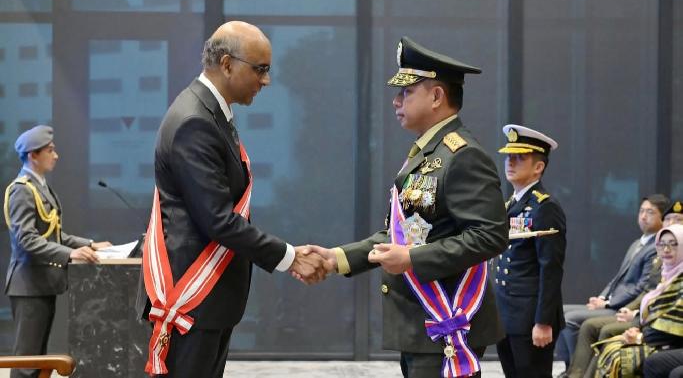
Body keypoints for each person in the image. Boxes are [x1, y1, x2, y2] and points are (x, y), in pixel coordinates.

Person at [300, 36, 509, 378]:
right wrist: (336, 258)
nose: (396, 101)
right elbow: (404, 234)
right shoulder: (428, 154)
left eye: (407, 91)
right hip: (421, 324)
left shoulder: (462, 155)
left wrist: (413, 258)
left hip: (447, 321)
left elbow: (490, 235)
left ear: (437, 96)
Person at [135, 21, 330, 378]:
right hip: (191, 297)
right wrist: (290, 257)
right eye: (260, 69)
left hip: (208, 300)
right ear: (227, 64)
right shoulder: (194, 121)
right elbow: (218, 220)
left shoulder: (210, 113)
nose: (266, 80)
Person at [3, 125, 111, 378]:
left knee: (38, 359)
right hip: (29, 285)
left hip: (41, 283)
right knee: (26, 362)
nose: (56, 155)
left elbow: (54, 235)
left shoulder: (39, 186)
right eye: (50, 150)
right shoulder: (22, 190)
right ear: (33, 155)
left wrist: (90, 244)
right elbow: (26, 240)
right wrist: (69, 254)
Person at [556, 194, 670, 370]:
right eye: (641, 211)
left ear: (662, 218)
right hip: (612, 302)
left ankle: (577, 369)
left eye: (650, 212)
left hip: (622, 307)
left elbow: (641, 288)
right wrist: (602, 298)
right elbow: (617, 278)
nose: (643, 216)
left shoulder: (657, 248)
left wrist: (608, 304)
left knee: (570, 319)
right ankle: (569, 367)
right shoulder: (637, 243)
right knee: (560, 311)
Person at [494, 125, 567, 378]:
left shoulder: (545, 207)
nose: (511, 162)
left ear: (538, 167)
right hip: (507, 315)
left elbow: (551, 268)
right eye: (509, 156)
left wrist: (543, 321)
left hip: (530, 317)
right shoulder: (511, 204)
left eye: (520, 158)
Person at [593, 224, 683, 377]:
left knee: (622, 356)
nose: (666, 249)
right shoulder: (666, 275)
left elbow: (674, 324)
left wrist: (641, 337)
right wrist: (637, 330)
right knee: (613, 348)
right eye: (662, 244)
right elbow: (654, 312)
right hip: (657, 337)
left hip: (672, 342)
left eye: (674, 244)